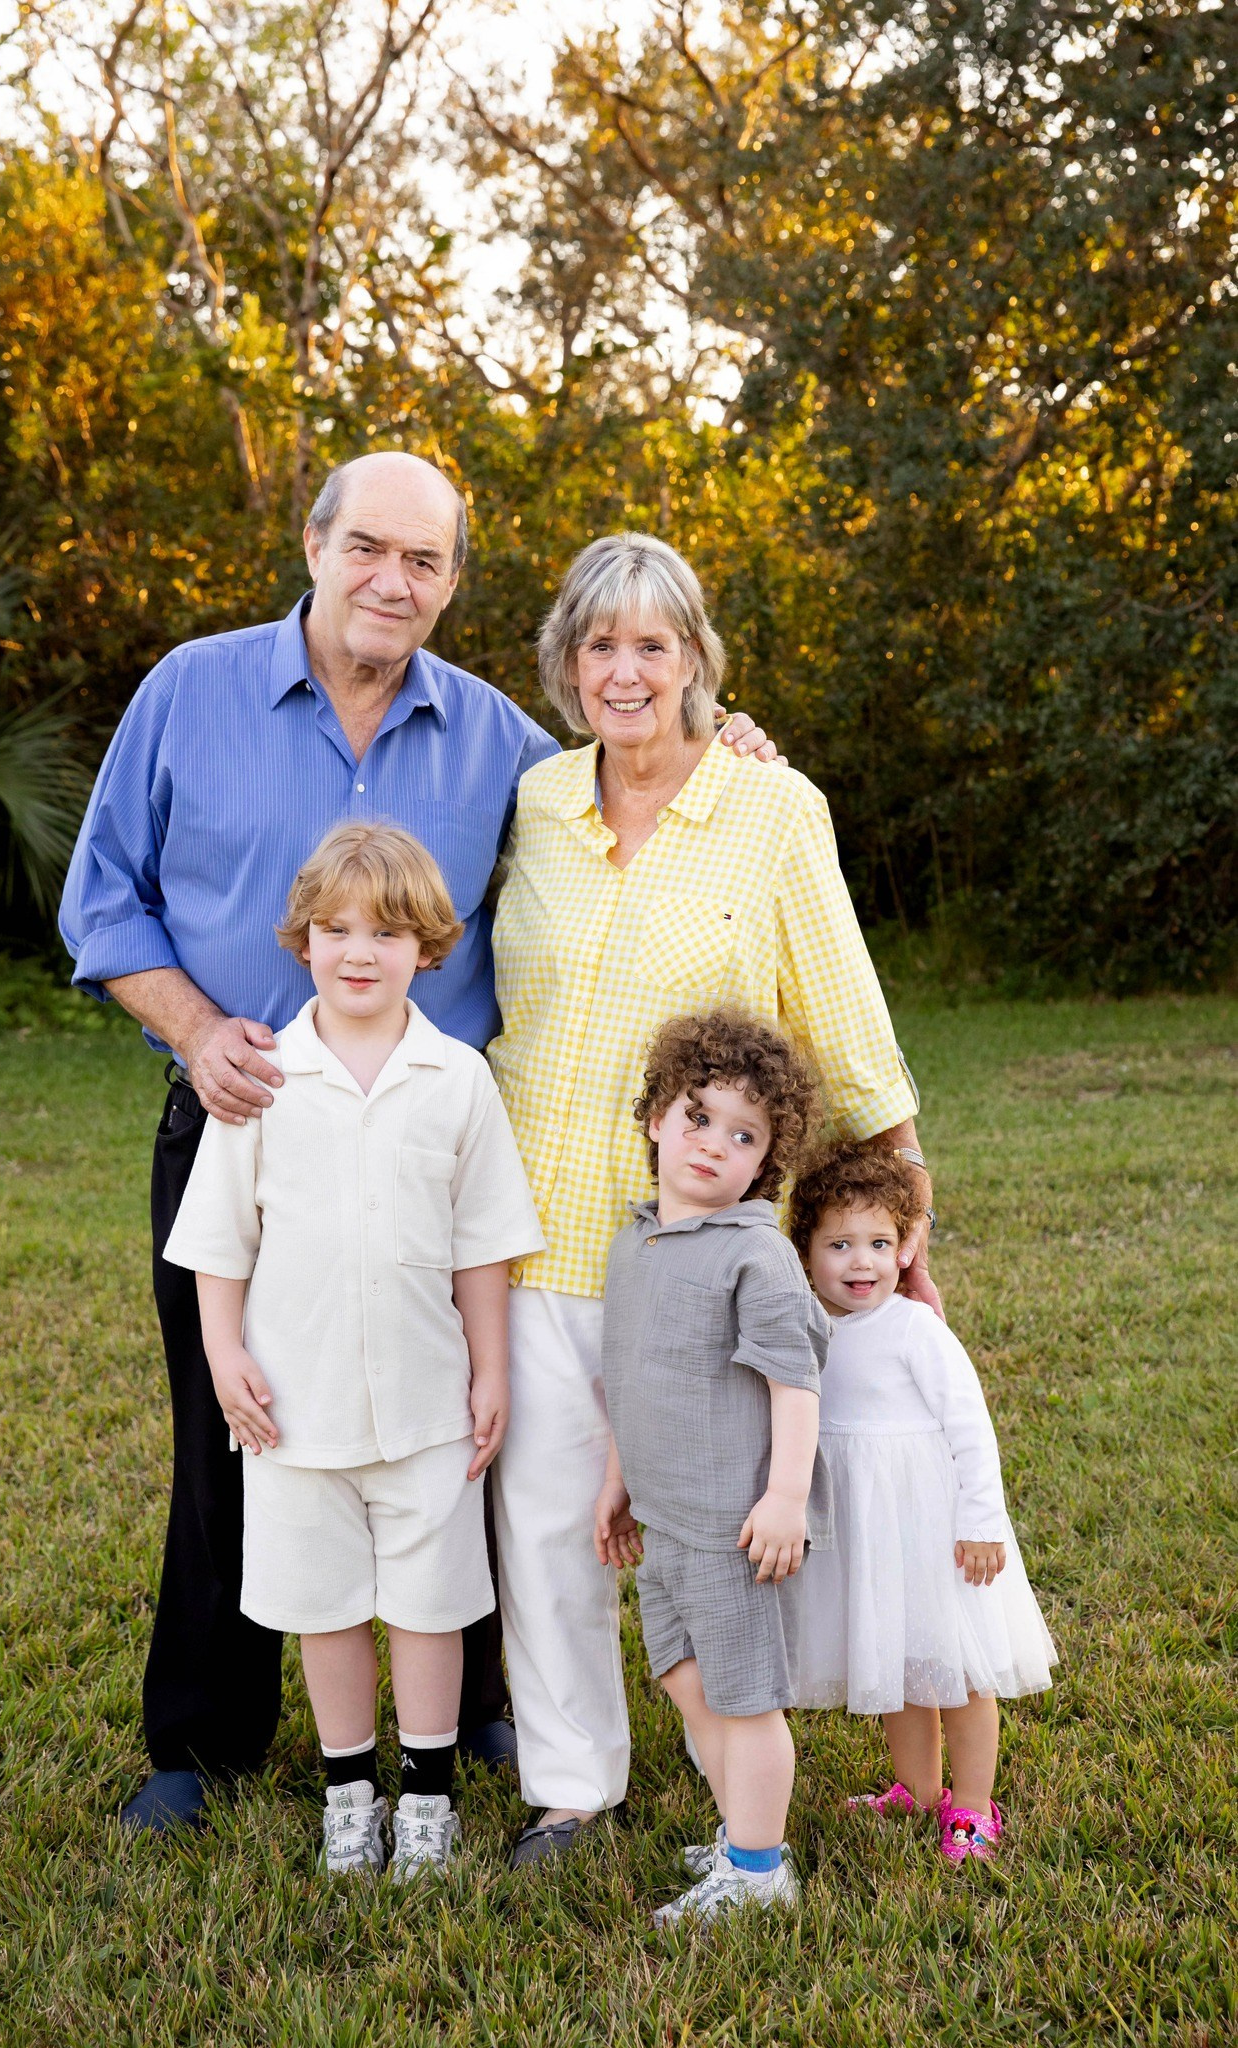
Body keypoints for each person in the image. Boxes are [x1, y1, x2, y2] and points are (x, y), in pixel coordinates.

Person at [59, 453, 773, 1833]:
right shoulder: (188, 693)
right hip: (244, 1121)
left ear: (452, 583)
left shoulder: (501, 739)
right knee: (235, 1418)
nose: (394, 580)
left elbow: (631, 776)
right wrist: (201, 1031)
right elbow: (104, 903)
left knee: (465, 1424)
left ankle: (486, 1709)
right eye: (369, 548)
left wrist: (726, 737)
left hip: (444, 1142)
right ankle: (202, 1736)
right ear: (314, 546)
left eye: (426, 561)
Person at [487, 529, 939, 1865]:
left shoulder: (772, 808)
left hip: (691, 1257)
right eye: (599, 643)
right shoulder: (534, 806)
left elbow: (846, 1018)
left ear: (695, 660)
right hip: (531, 1229)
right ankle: (572, 1787)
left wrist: (904, 1194)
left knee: (698, 1539)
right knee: (550, 1528)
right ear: (568, 663)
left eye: (652, 644)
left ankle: (739, 1784)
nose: (623, 671)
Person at [163, 822, 545, 1877]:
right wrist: (225, 1351)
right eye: (335, 929)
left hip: (428, 1402)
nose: (359, 951)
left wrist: (493, 1368)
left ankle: (425, 1795)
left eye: (385, 930)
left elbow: (483, 1244)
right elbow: (217, 1239)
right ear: (303, 942)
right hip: (296, 1402)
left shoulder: (458, 1077)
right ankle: (351, 1787)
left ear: (430, 945)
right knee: (324, 1604)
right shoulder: (263, 1075)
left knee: (429, 1605)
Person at [595, 1011, 832, 1926]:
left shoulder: (755, 1257)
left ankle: (759, 1869)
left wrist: (783, 1498)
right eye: (697, 1116)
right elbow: (630, 1374)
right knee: (683, 1679)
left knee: (743, 1699)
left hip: (735, 1525)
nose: (712, 1144)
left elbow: (795, 1384)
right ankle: (742, 1822)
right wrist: (618, 1482)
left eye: (744, 1135)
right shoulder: (638, 1241)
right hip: (666, 1518)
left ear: (763, 1164)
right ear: (655, 1115)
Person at [787, 1141, 1058, 1864]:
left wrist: (979, 1523)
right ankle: (917, 1788)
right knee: (898, 1663)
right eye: (838, 1245)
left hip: (933, 1527)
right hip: (866, 1529)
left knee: (958, 1668)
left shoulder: (912, 1329)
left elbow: (970, 1429)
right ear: (804, 1251)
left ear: (904, 1247)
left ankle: (970, 1807)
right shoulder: (811, 1330)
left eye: (878, 1243)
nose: (860, 1263)